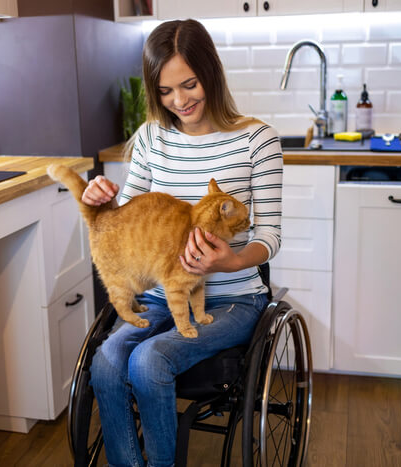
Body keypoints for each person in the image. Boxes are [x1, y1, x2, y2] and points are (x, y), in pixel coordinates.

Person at [86, 19, 283, 467]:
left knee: (149, 361)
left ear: (210, 72)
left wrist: (231, 261)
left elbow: (270, 235)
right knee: (107, 361)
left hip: (233, 300)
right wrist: (101, 201)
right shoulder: (152, 139)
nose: (180, 101)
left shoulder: (257, 139)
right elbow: (131, 214)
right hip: (160, 294)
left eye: (189, 84)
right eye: (165, 92)